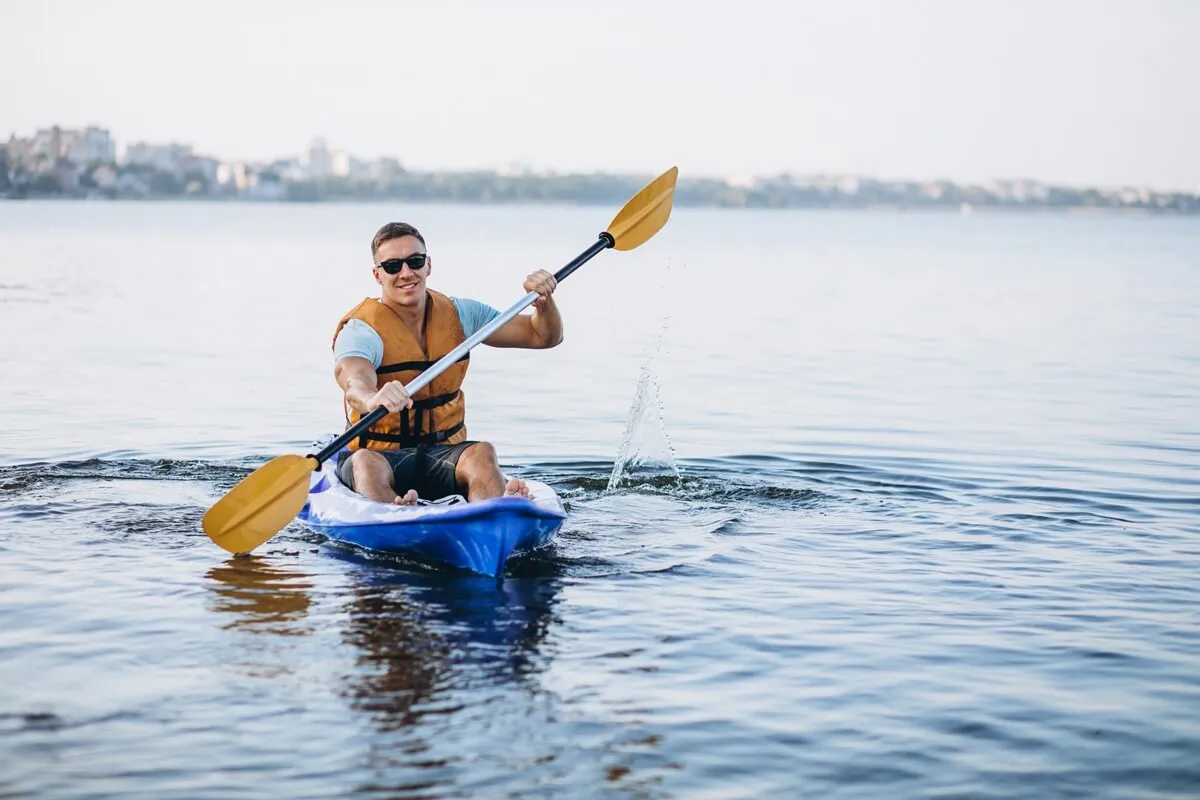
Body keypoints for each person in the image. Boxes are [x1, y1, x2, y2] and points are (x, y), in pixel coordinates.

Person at [332, 222, 562, 505]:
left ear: (428, 265)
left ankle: (490, 513)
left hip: (443, 453)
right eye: (392, 266)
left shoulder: (461, 315)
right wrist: (371, 398)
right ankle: (397, 514)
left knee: (481, 454)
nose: (406, 273)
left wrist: (544, 303)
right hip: (380, 454)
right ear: (377, 275)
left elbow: (543, 336)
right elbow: (352, 377)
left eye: (414, 261)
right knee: (364, 463)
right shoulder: (361, 330)